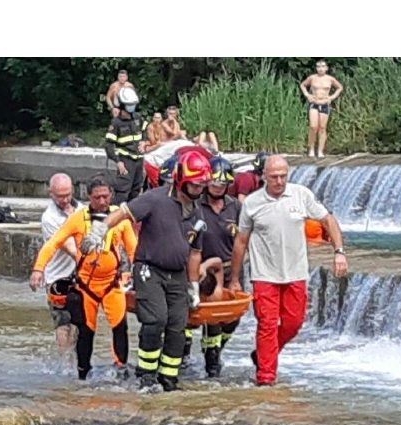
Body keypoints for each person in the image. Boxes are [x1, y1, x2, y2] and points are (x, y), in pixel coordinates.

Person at [229, 155, 348, 386]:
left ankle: (263, 355)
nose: (279, 181)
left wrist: (339, 251)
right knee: (267, 325)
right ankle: (266, 378)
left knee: (293, 324)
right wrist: (235, 278)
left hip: (296, 273)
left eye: (283, 176)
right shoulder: (252, 203)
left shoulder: (301, 195)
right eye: (274, 177)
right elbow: (241, 242)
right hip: (264, 274)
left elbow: (328, 220)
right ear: (263, 176)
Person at [102, 151, 210, 392]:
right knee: (156, 320)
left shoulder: (197, 210)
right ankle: (147, 375)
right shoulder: (155, 199)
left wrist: (193, 287)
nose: (199, 190)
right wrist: (99, 230)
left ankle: (168, 378)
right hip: (149, 269)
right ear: (181, 179)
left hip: (178, 274)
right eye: (195, 185)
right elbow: (123, 214)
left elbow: (194, 252)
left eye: (202, 185)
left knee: (177, 325)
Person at [30, 176, 137, 381]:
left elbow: (133, 249)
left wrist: (136, 273)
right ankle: (82, 374)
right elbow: (53, 244)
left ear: (111, 196)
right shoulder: (78, 219)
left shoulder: (119, 218)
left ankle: (121, 368)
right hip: (86, 285)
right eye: (97, 197)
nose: (102, 201)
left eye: (106, 196)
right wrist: (38, 269)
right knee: (86, 331)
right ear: (89, 197)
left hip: (112, 284)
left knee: (120, 327)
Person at [195, 156, 242, 377]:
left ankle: (217, 349)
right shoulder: (196, 205)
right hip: (206, 272)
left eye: (222, 184)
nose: (217, 187)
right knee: (212, 318)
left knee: (232, 317)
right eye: (214, 182)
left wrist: (236, 275)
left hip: (230, 268)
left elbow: (245, 239)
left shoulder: (236, 207)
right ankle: (211, 362)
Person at [34, 173, 81, 357]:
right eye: (60, 196)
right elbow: (70, 247)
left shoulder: (83, 209)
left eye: (68, 194)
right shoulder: (49, 218)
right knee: (63, 323)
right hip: (57, 278)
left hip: (80, 277)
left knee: (79, 323)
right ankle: (65, 362)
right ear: (50, 193)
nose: (65, 199)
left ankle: (77, 360)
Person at [105, 86, 147, 205]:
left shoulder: (137, 118)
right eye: (129, 105)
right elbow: (109, 145)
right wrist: (118, 162)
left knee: (136, 189)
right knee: (122, 191)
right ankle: (115, 214)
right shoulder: (116, 123)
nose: (132, 107)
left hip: (138, 159)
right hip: (126, 160)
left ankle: (131, 217)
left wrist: (144, 142)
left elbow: (145, 131)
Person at [300, 60, 344, 158]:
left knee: (322, 127)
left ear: (326, 68)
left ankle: (320, 151)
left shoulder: (330, 79)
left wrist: (331, 97)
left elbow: (340, 87)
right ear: (316, 68)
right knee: (313, 126)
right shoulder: (312, 78)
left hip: (324, 103)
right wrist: (307, 95)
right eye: (318, 66)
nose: (320, 68)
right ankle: (311, 149)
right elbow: (303, 85)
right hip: (314, 103)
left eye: (322, 66)